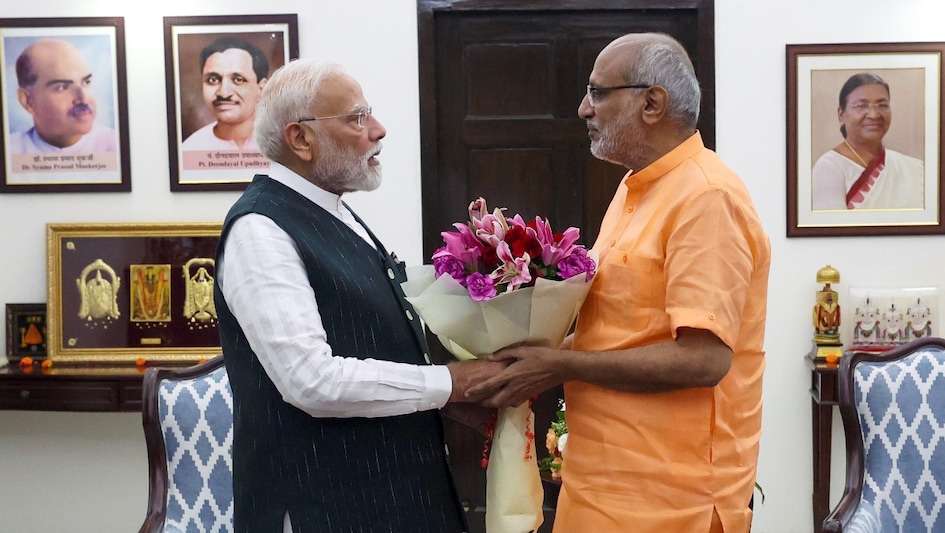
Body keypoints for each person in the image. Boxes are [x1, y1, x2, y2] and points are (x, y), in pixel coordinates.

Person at [467, 33, 771, 532]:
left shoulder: (706, 197)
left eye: (598, 92)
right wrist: (520, 358)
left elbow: (704, 358)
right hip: (602, 483)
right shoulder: (637, 187)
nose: (584, 109)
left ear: (652, 102)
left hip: (671, 497)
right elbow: (617, 332)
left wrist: (556, 365)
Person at [214, 57, 503, 532]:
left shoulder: (332, 209)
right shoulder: (260, 232)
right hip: (324, 508)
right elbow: (312, 380)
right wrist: (452, 383)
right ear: (300, 138)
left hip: (390, 499)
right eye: (357, 118)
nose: (379, 130)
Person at [811, 73, 924, 210]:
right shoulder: (829, 167)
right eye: (861, 106)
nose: (874, 115)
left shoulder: (914, 168)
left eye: (882, 105)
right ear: (841, 115)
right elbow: (834, 229)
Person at [9, 38, 116, 153]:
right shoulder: (9, 151)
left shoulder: (115, 145)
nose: (84, 99)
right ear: (28, 101)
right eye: (62, 87)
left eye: (86, 82)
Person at [181, 37, 269, 151]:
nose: (224, 93)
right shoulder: (192, 148)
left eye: (238, 79)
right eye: (213, 80)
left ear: (261, 88)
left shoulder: (280, 145)